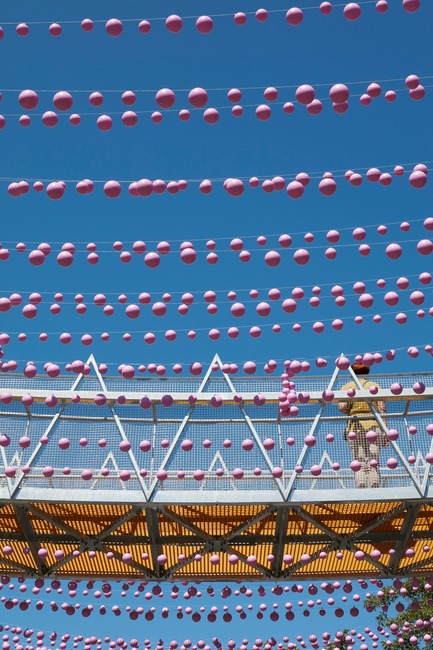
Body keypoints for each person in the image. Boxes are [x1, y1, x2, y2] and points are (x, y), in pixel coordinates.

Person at [338, 362, 388, 489]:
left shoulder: (347, 387)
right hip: (374, 423)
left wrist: (351, 405)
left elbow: (342, 407)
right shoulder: (374, 386)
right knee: (373, 458)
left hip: (355, 426)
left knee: (358, 459)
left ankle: (360, 483)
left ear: (353, 373)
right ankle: (374, 482)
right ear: (367, 373)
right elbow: (382, 409)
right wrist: (385, 431)